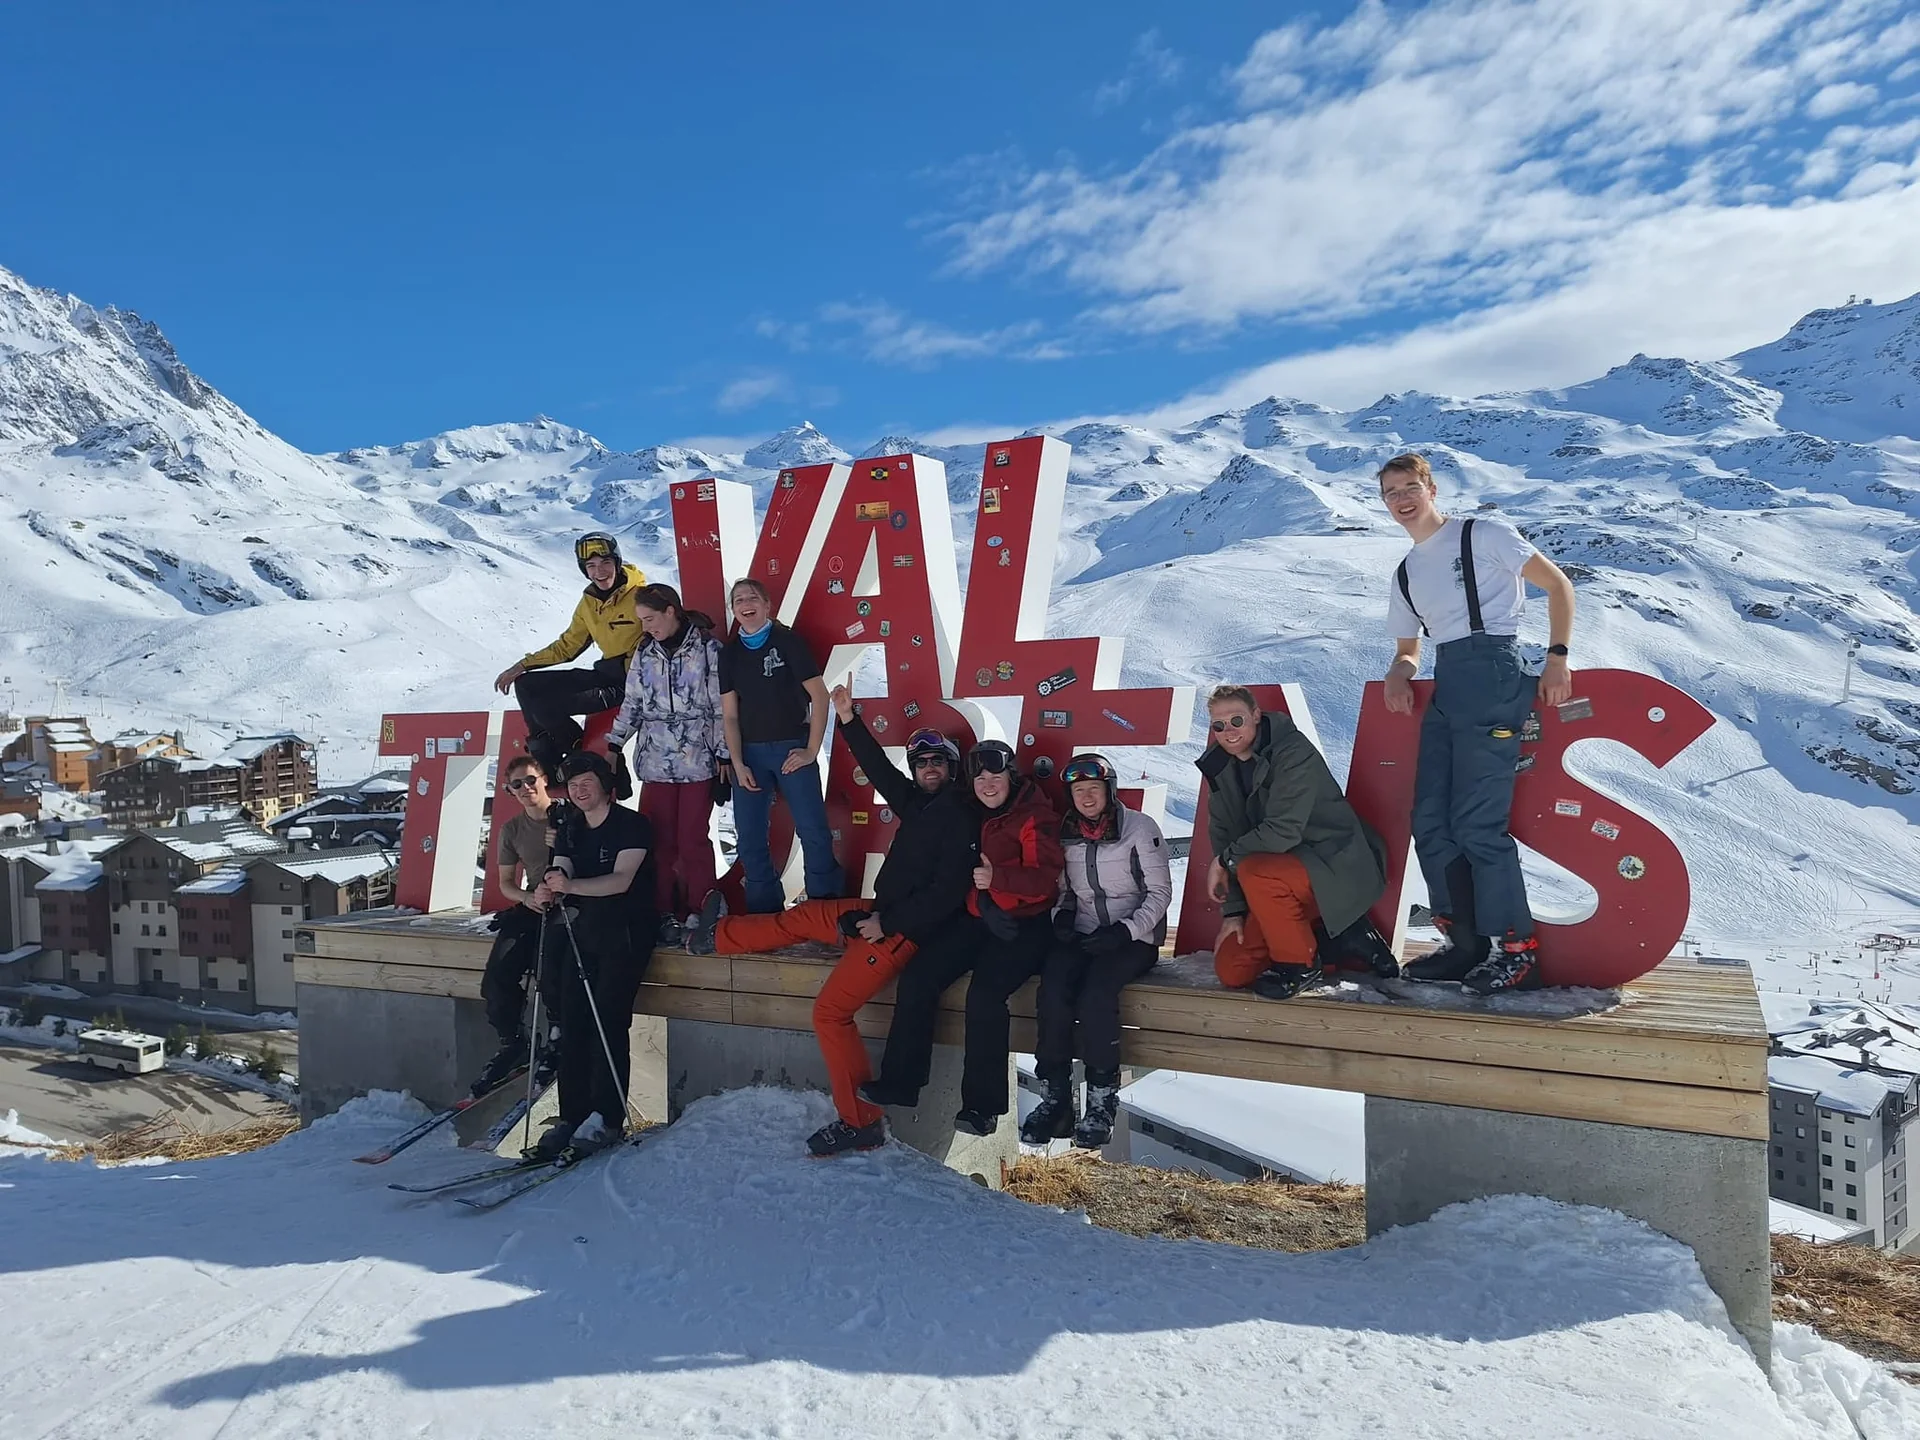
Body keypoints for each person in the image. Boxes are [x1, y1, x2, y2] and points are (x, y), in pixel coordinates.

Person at [685, 690, 976, 1158]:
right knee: (801, 917)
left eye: (938, 762)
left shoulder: (959, 818)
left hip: (899, 933)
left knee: (829, 1014)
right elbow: (880, 770)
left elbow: (945, 896)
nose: (928, 769)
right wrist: (848, 719)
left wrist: (885, 921)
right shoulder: (918, 803)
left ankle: (860, 1121)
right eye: (922, 762)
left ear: (953, 768)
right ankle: (712, 937)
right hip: (879, 913)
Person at [1379, 452, 1577, 993]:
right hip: (1448, 685)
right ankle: (1462, 944)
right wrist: (1400, 672)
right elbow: (1409, 649)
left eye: (1409, 487)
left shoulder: (1482, 534)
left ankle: (1516, 946)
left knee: (1477, 826)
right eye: (1390, 492)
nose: (1401, 499)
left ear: (1431, 488)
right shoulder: (1406, 571)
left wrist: (1557, 658)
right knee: (1430, 822)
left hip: (1493, 673)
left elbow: (1558, 585)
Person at [864, 739, 1063, 1137]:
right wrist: (984, 900)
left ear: (1011, 774)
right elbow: (961, 874)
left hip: (1024, 925)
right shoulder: (968, 810)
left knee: (985, 995)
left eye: (996, 775)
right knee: (920, 975)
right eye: (980, 777)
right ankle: (901, 1082)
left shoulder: (1032, 815)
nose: (988, 784)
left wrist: (998, 883)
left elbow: (1046, 879)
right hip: (978, 918)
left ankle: (982, 1107)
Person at [1201, 685, 1397, 1000]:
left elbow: (1283, 831)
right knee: (1232, 969)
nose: (1228, 731)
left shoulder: (1292, 751)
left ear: (1255, 715)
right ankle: (1339, 936)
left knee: (1255, 870)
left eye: (1236, 720)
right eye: (1219, 725)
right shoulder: (1220, 768)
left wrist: (1225, 860)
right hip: (1277, 883)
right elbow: (1226, 836)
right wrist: (1234, 911)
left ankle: (1300, 965)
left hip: (1335, 866)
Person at [1021, 753, 1172, 1149]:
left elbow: (1160, 892)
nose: (1087, 797)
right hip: (1086, 934)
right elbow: (1064, 889)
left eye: (1094, 789)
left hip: (1132, 939)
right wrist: (1062, 917)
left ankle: (1102, 1101)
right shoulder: (1065, 831)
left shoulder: (1139, 828)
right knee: (1052, 989)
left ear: (1109, 790)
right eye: (1078, 790)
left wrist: (1126, 931)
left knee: (1096, 994)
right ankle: (1055, 1096)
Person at [529, 750, 657, 1158]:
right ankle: (572, 1115)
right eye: (573, 785)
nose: (580, 791)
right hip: (579, 930)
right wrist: (549, 887)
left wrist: (569, 888)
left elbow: (621, 881)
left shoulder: (632, 825)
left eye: (588, 783)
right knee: (573, 1020)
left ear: (607, 787)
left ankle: (607, 1116)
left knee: (608, 1020)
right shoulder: (570, 828)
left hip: (625, 932)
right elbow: (561, 870)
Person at [602, 583, 729, 944]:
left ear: (672, 611)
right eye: (642, 620)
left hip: (697, 759)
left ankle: (701, 906)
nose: (647, 627)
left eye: (651, 619)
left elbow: (722, 708)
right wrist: (614, 743)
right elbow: (633, 703)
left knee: (692, 838)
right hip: (655, 760)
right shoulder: (645, 653)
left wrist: (722, 753)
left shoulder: (708, 650)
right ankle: (662, 910)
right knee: (657, 840)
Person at [717, 578, 843, 911]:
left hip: (792, 748)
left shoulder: (788, 642)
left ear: (767, 604)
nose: (746, 604)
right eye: (739, 600)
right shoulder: (729, 654)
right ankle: (764, 912)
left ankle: (823, 908)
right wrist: (738, 762)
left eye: (752, 598)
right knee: (750, 838)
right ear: (733, 610)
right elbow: (730, 716)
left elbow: (820, 696)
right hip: (751, 757)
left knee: (813, 830)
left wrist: (811, 750)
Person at [494, 532, 646, 782]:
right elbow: (568, 646)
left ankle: (578, 753)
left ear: (617, 563)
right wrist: (521, 665)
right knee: (526, 685)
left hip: (627, 685)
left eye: (606, 563)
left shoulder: (641, 595)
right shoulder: (589, 603)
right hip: (604, 675)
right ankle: (547, 759)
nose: (600, 571)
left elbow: (667, 625)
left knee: (545, 706)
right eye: (591, 566)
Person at [470, 754, 563, 1096]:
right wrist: (527, 899)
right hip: (532, 905)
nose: (526, 789)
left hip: (570, 903)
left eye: (530, 780)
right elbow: (506, 883)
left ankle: (558, 1040)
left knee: (551, 972)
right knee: (498, 975)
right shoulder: (511, 830)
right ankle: (514, 1042)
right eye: (517, 785)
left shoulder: (568, 815)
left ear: (543, 779)